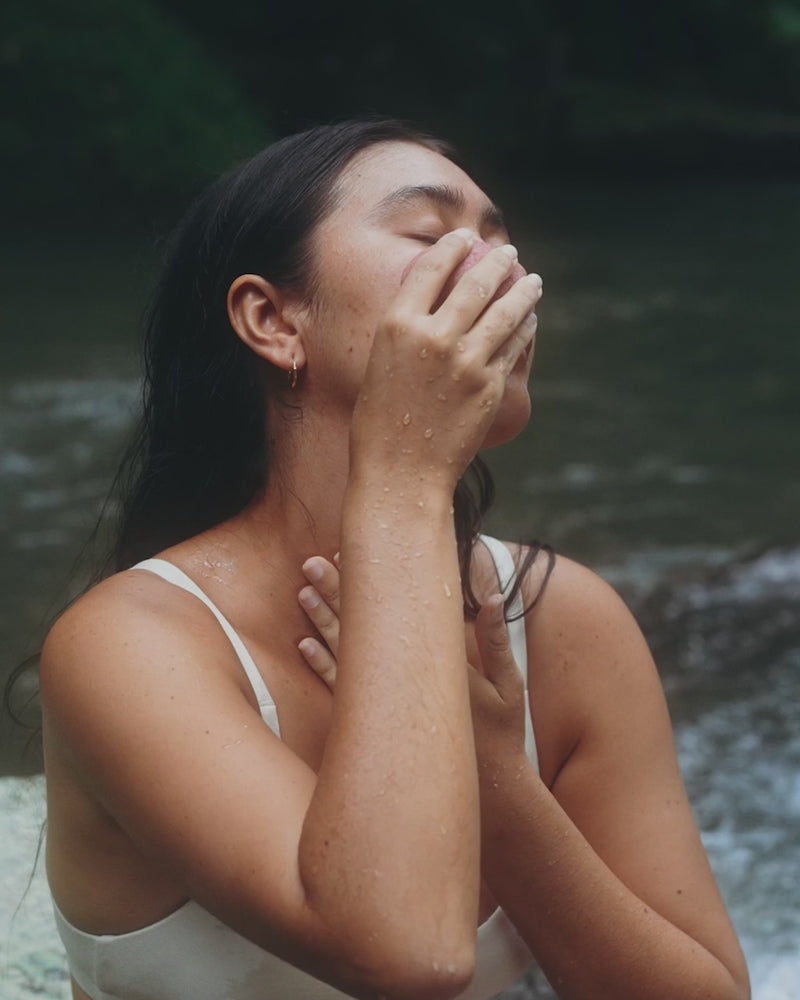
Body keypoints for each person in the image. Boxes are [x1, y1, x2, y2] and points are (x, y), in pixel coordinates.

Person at [39, 119, 750, 1000]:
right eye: (429, 234)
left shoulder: (566, 618)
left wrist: (501, 784)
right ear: (271, 318)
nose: (508, 278)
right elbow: (406, 950)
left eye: (501, 243)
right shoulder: (132, 645)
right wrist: (406, 479)